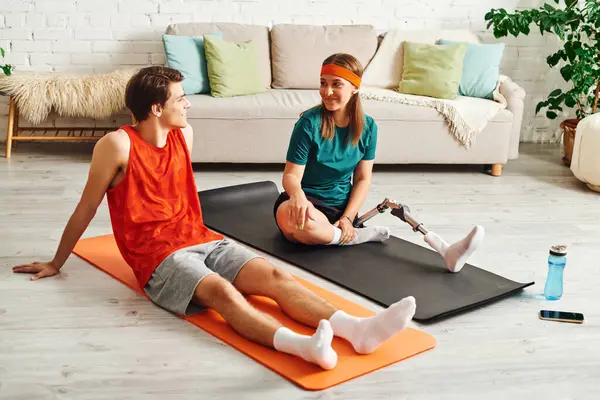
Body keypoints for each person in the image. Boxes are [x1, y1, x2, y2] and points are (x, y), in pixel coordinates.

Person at [12, 66, 417, 371]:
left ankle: (357, 330)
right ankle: (300, 346)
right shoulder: (116, 145)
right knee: (223, 294)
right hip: (157, 256)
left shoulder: (182, 136)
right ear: (156, 108)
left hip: (199, 235)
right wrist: (57, 261)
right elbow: (86, 206)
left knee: (276, 278)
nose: (188, 103)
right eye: (180, 98)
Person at [273, 53, 484, 272]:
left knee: (307, 233)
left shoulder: (368, 128)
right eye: (323, 84)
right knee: (300, 223)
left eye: (337, 84)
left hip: (338, 207)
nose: (327, 92)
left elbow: (363, 179)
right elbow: (291, 176)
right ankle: (354, 237)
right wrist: (298, 197)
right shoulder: (308, 123)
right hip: (303, 203)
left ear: (355, 87)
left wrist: (348, 217)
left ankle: (447, 252)